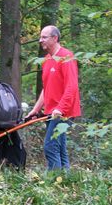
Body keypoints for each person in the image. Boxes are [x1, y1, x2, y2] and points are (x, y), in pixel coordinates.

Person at [26, 25, 81, 171]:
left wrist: (60, 109)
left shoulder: (66, 56)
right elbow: (47, 88)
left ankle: (54, 183)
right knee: (60, 148)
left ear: (55, 38)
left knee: (50, 147)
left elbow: (72, 86)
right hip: (52, 111)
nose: (40, 40)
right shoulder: (47, 59)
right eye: (40, 37)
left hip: (63, 112)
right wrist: (35, 109)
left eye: (44, 37)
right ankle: (66, 182)